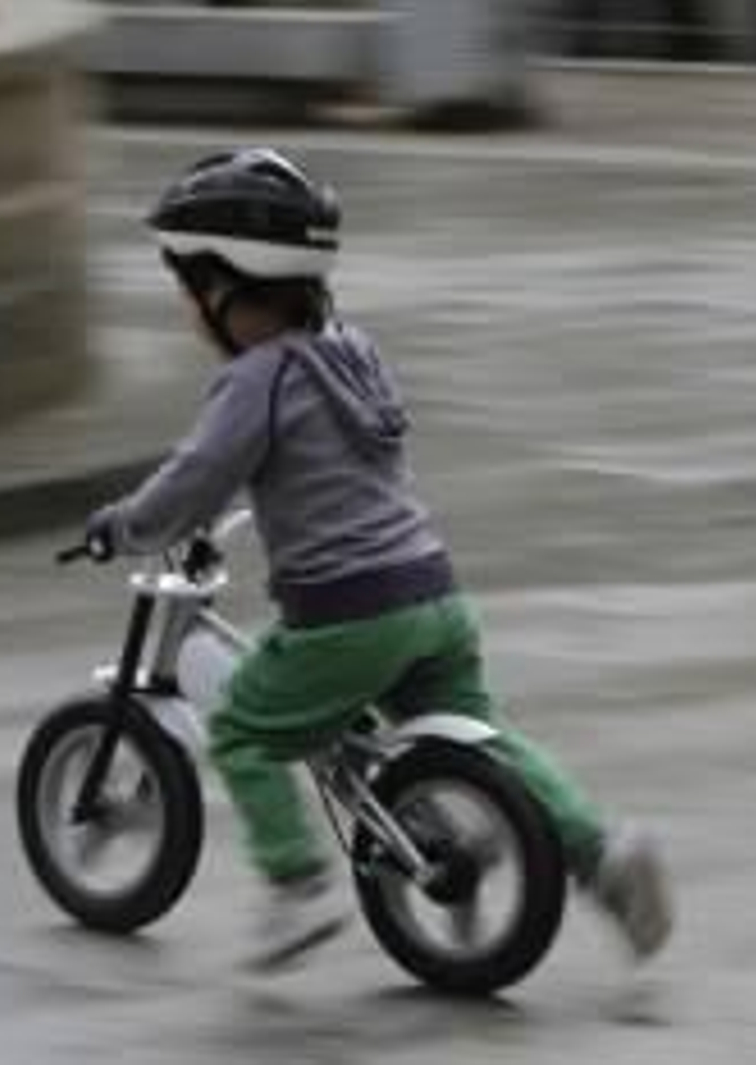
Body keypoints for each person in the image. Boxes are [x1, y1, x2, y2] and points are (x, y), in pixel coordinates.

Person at [82, 147, 674, 973]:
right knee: (489, 741)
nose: (186, 307)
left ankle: (296, 887)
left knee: (246, 729)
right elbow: (330, 464)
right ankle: (605, 857)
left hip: (348, 616)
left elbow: (195, 477)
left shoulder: (255, 380)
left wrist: (123, 524)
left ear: (226, 288)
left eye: (187, 285)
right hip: (432, 595)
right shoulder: (353, 350)